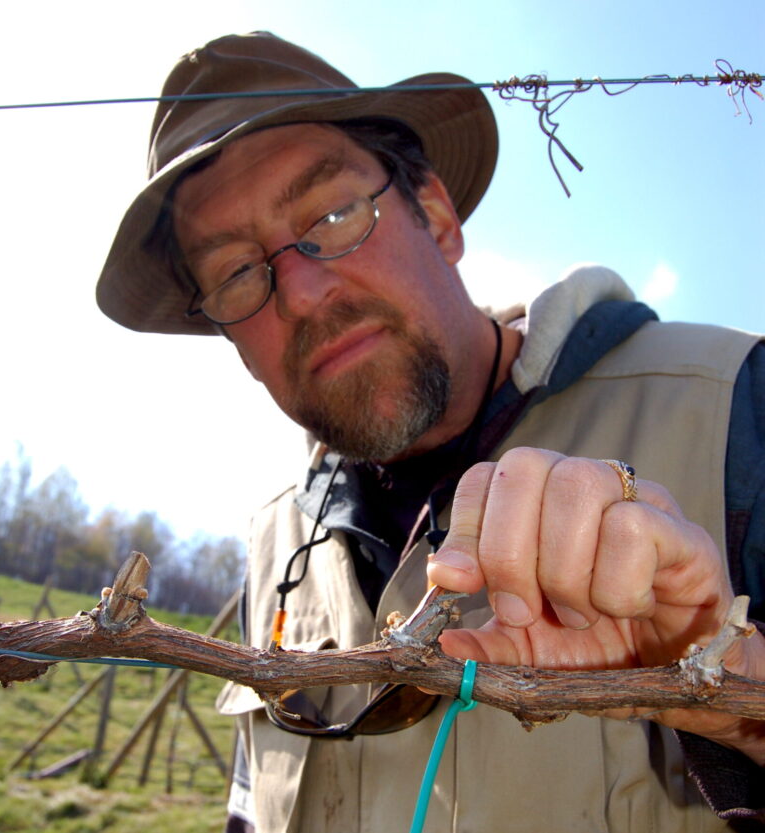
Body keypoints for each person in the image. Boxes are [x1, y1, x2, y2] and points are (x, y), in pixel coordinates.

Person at [97, 31, 765, 833]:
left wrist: (730, 693)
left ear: (439, 217)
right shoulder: (274, 533)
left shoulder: (736, 409)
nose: (302, 293)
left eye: (334, 212)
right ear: (231, 341)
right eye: (237, 272)